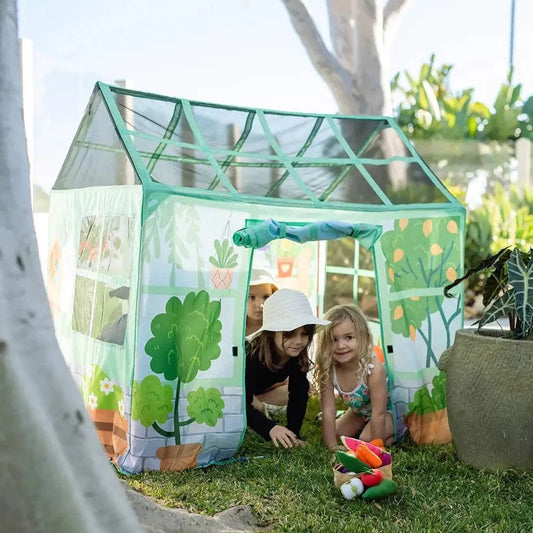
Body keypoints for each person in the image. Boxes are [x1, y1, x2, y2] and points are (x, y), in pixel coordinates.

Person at [245, 289, 330, 449]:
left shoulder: (297, 355)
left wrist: (293, 433)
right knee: (249, 403)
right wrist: (269, 428)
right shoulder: (253, 356)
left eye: (305, 334)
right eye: (289, 334)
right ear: (271, 333)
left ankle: (261, 406)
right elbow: (239, 402)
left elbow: (298, 394)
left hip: (260, 391)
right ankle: (259, 408)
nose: (299, 341)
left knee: (304, 388)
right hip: (235, 392)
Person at [315, 304, 393, 450]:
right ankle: (364, 426)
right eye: (334, 339)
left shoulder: (373, 368)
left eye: (349, 337)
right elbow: (328, 410)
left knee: (366, 439)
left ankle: (392, 436)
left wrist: (374, 449)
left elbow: (379, 412)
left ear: (362, 336)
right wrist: (331, 447)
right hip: (360, 412)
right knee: (338, 433)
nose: (341, 345)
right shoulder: (329, 369)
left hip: (389, 412)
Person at [245, 268, 278, 337]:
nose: (260, 305)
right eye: (251, 297)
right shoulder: (233, 328)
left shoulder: (279, 329)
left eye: (266, 297)